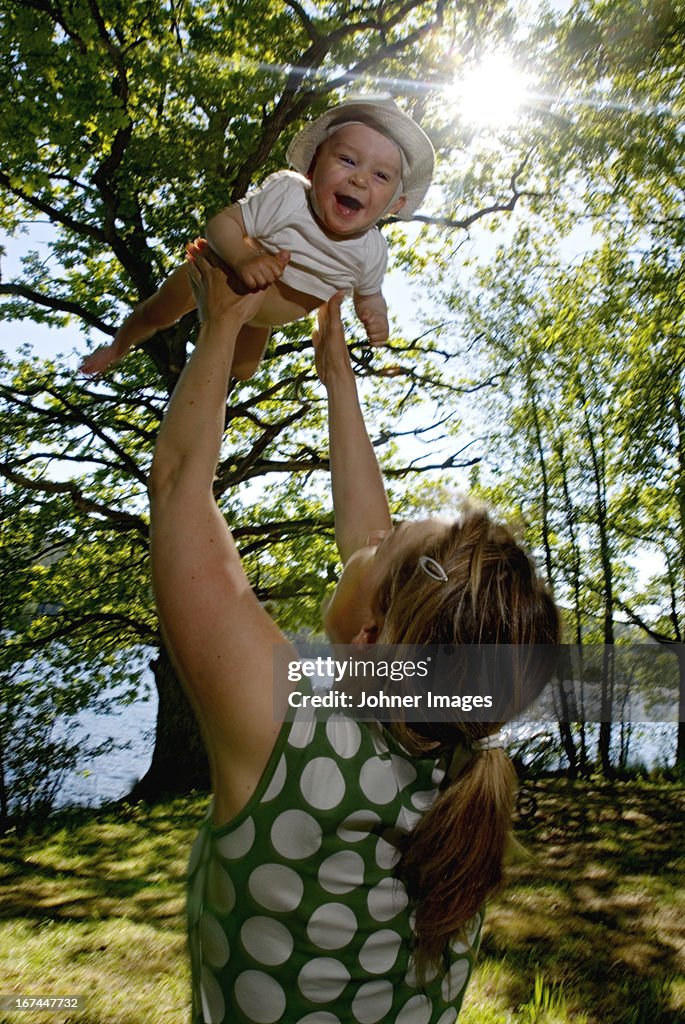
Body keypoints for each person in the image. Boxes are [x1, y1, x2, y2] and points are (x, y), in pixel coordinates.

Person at [148, 252, 562, 1024]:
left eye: (382, 549)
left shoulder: (281, 721)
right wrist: (337, 376)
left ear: (370, 636)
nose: (368, 540)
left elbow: (179, 483)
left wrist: (221, 326)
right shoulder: (458, 734)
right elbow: (378, 557)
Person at [80, 96, 434, 380]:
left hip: (261, 316)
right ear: (312, 167)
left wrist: (374, 315)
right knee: (158, 312)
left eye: (380, 176)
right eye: (346, 159)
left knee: (244, 372)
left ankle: (204, 359)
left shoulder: (372, 250)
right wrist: (240, 257)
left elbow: (369, 295)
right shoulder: (289, 197)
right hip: (223, 274)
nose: (359, 180)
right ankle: (118, 346)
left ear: (395, 204)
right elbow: (221, 224)